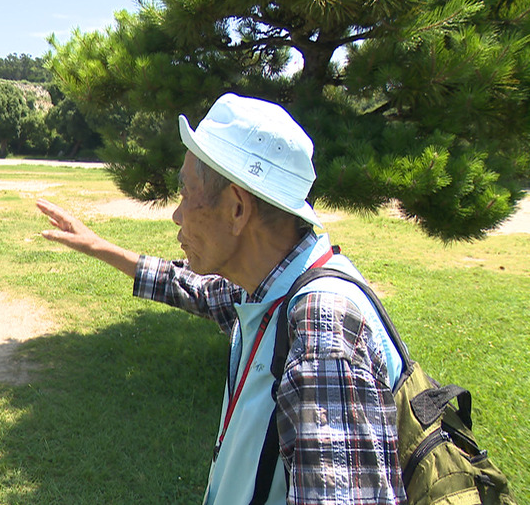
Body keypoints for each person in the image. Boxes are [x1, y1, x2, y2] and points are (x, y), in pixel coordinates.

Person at [36, 93, 406, 505]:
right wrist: (97, 245)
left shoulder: (324, 329)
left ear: (235, 209)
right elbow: (191, 287)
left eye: (186, 192)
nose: (177, 215)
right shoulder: (272, 289)